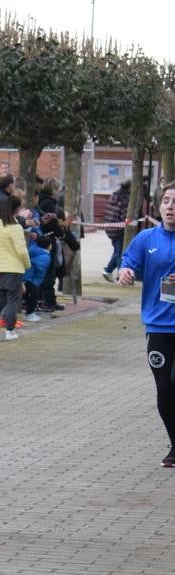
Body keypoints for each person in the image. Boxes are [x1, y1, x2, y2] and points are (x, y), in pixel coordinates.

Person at [117, 181, 175, 468]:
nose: (171, 207)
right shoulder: (146, 239)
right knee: (165, 389)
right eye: (166, 201)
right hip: (159, 327)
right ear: (159, 206)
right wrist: (125, 272)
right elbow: (127, 263)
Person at [0, 195, 30, 341]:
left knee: (0, 298)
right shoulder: (15, 227)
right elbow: (21, 250)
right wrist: (27, 264)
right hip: (14, 268)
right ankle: (10, 330)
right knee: (13, 299)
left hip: (0, 267)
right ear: (17, 209)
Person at [102, 179, 134, 282]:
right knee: (120, 253)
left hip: (110, 228)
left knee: (117, 250)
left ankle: (108, 270)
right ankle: (122, 277)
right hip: (119, 229)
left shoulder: (114, 195)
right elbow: (125, 216)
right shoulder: (126, 199)